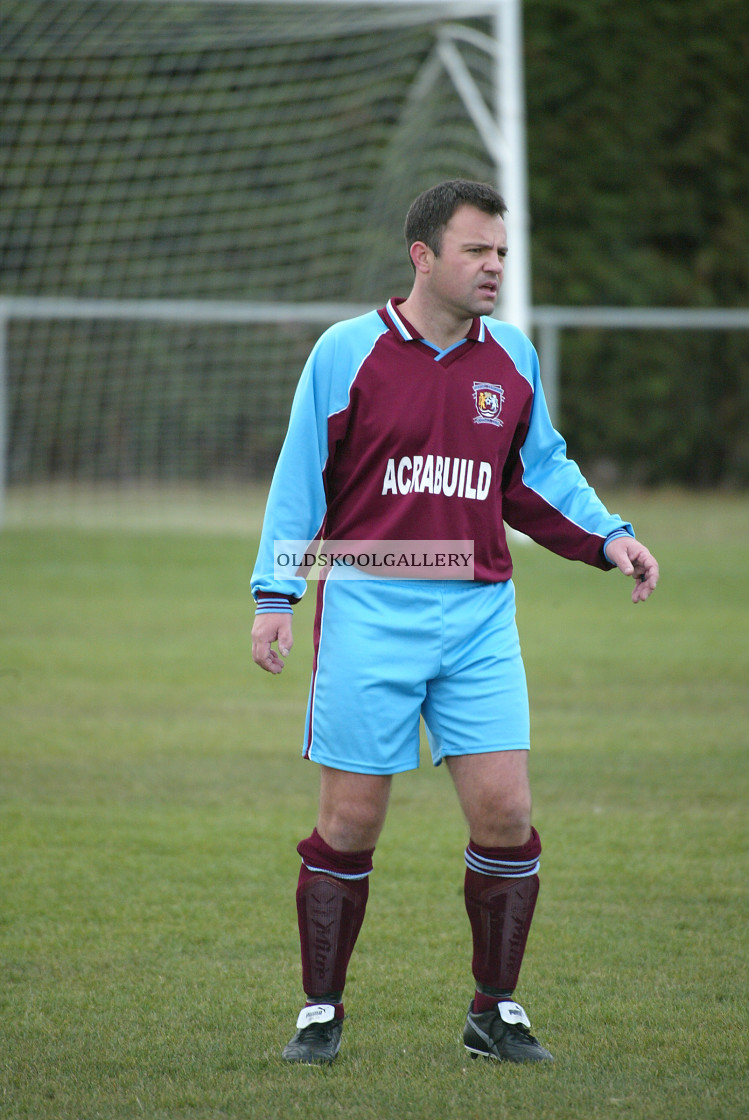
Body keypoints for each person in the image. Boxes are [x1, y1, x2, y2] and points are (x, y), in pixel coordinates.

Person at [250, 179, 659, 1066]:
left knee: (506, 813)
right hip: (369, 603)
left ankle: (493, 1012)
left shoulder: (510, 356)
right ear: (423, 256)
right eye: (477, 250)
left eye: (501, 252)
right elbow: (300, 480)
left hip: (478, 613)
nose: (495, 268)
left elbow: (537, 472)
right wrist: (275, 596)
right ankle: (320, 1011)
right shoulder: (345, 352)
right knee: (352, 822)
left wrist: (608, 538)